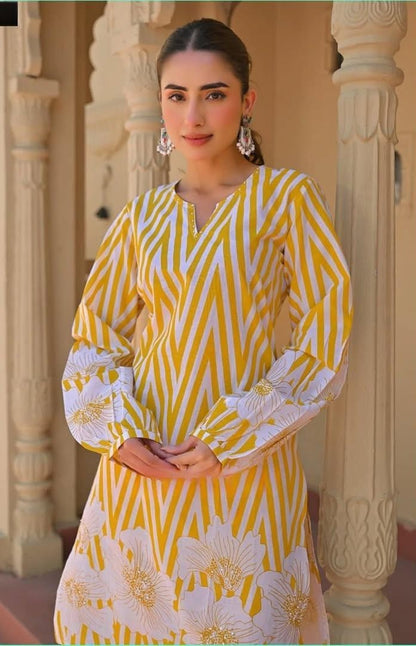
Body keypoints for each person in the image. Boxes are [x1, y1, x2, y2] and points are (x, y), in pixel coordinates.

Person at [54, 17, 352, 646]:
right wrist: (118, 432)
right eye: (176, 95)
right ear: (161, 104)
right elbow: (96, 340)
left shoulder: (287, 199)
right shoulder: (141, 217)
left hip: (243, 472)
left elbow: (324, 340)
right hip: (142, 470)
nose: (192, 115)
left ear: (246, 101)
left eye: (213, 94)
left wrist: (233, 435)